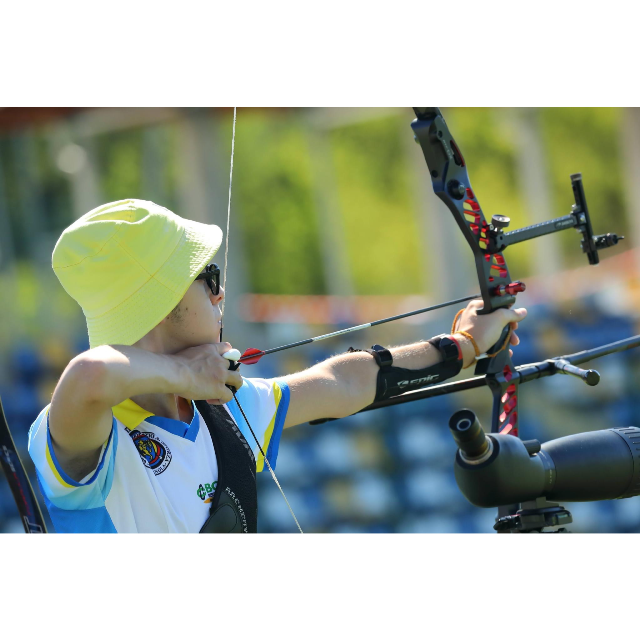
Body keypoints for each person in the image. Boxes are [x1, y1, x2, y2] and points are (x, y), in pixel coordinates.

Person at [28, 199, 526, 534]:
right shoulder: (94, 433)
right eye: (208, 277)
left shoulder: (221, 409)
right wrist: (186, 374)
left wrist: (462, 346)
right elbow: (90, 374)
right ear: (163, 300)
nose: (221, 293)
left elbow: (342, 381)